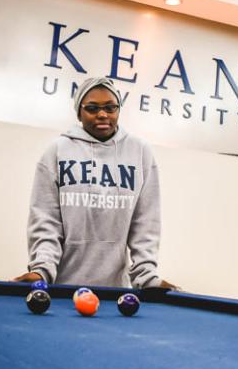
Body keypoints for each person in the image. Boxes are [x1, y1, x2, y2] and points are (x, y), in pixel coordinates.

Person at [14, 76, 176, 289]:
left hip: (115, 293)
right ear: (79, 112)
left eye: (111, 107)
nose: (103, 114)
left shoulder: (140, 152)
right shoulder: (57, 151)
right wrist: (41, 270)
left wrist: (146, 276)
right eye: (92, 108)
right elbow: (46, 222)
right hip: (61, 291)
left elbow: (146, 224)